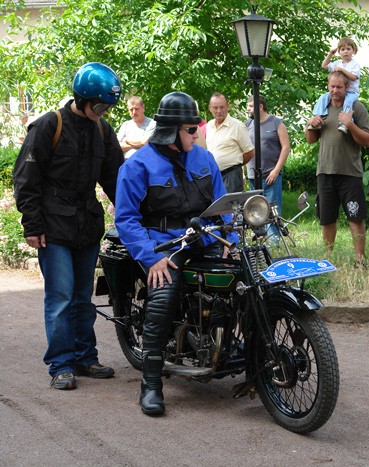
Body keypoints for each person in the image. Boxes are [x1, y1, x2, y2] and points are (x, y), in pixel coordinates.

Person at [115, 92, 237, 415]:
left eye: (196, 128)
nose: (197, 134)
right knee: (164, 294)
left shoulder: (204, 159)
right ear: (171, 132)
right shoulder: (138, 166)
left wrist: (233, 242)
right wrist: (150, 257)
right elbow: (125, 219)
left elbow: (222, 207)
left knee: (246, 278)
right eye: (190, 129)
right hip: (164, 245)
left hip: (204, 239)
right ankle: (151, 384)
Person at [13, 62, 123, 390]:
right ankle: (61, 364)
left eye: (108, 107)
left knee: (82, 296)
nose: (103, 112)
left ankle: (85, 357)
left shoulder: (103, 130)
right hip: (53, 226)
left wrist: (135, 214)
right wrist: (32, 225)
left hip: (87, 224)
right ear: (81, 98)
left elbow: (117, 179)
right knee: (60, 296)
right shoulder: (48, 125)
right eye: (99, 105)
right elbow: (26, 180)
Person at [305, 70, 369, 266]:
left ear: (347, 87)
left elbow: (367, 141)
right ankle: (328, 258)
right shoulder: (321, 108)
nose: (335, 91)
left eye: (339, 87)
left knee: (355, 217)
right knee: (327, 218)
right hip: (325, 171)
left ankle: (360, 260)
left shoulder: (356, 108)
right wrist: (310, 124)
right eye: (332, 86)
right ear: (328, 86)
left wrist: (349, 125)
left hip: (350, 172)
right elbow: (310, 140)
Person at [244, 94, 291, 226]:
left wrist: (276, 171)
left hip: (271, 176)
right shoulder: (247, 124)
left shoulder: (276, 123)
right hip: (253, 177)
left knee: (272, 211)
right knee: (255, 213)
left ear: (260, 107)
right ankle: (261, 240)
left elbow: (286, 147)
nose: (248, 109)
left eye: (251, 106)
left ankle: (274, 241)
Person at [309, 37, 361, 134]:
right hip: (339, 91)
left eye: (348, 49)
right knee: (323, 97)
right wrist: (330, 54)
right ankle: (318, 117)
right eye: (343, 49)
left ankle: (345, 123)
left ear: (353, 50)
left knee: (348, 102)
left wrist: (341, 70)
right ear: (339, 52)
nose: (346, 52)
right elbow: (324, 66)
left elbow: (354, 77)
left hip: (351, 92)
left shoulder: (354, 65)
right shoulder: (337, 63)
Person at [206, 92, 254, 193]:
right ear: (210, 108)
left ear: (228, 106)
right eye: (215, 108)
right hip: (213, 176)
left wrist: (235, 165)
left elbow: (250, 152)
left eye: (222, 107)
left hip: (231, 176)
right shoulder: (209, 126)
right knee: (214, 207)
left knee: (230, 207)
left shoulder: (237, 126)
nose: (219, 111)